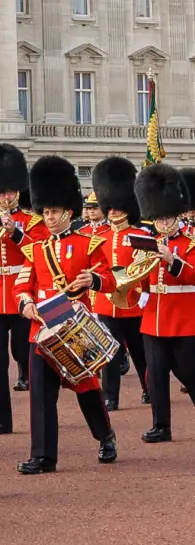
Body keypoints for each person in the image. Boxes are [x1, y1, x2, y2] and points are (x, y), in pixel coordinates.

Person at [14, 155, 117, 474]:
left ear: (68, 212)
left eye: (54, 212)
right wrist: (25, 304)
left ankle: (105, 435)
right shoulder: (35, 248)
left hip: (74, 326)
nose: (48, 217)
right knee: (41, 395)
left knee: (86, 388)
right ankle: (44, 456)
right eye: (45, 212)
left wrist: (94, 280)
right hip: (41, 328)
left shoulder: (88, 243)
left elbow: (111, 279)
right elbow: (21, 286)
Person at [0, 144, 44, 436]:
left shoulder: (33, 222)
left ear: (18, 190)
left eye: (9, 191)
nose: (5, 196)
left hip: (21, 295)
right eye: (1, 192)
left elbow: (39, 254)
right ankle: (0, 418)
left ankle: (38, 415)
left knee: (25, 355)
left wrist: (15, 232)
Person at [134, 163, 195, 444]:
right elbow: (141, 278)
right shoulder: (148, 241)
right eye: (158, 219)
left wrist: (172, 261)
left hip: (184, 318)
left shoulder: (191, 242)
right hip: (154, 316)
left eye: (167, 218)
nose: (162, 223)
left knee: (189, 372)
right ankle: (161, 425)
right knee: (155, 376)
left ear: (177, 215)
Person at [90, 157, 150, 412]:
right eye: (109, 206)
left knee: (141, 354)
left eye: (117, 206)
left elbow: (146, 269)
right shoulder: (97, 236)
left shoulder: (141, 235)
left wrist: (145, 294)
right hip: (107, 303)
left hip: (134, 303)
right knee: (110, 354)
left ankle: (150, 389)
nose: (112, 211)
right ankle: (110, 397)